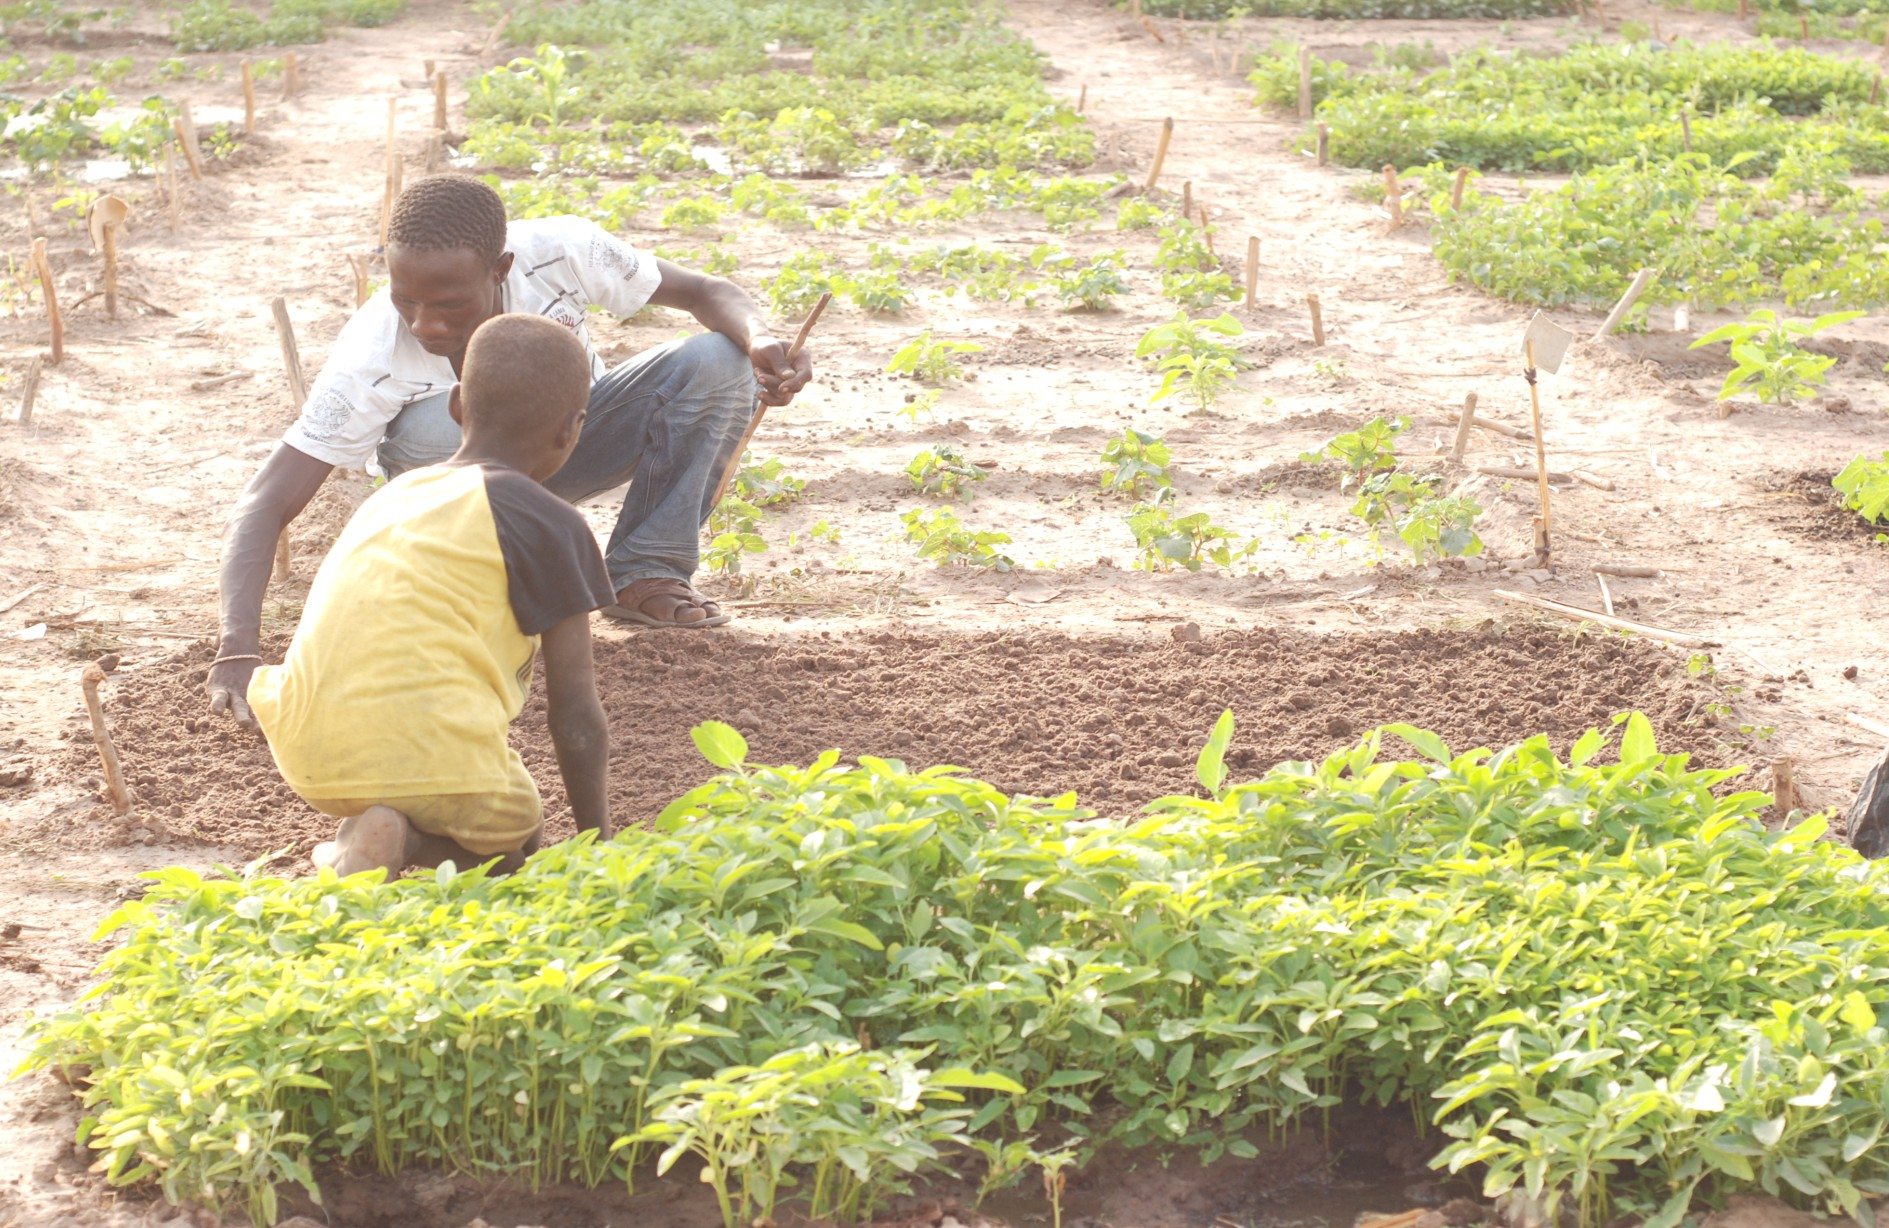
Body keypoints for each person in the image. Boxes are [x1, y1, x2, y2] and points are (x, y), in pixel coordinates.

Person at [209, 174, 813, 728]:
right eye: (407, 300)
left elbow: (706, 291)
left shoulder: (562, 251)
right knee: (442, 425)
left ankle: (646, 572)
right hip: (452, 495)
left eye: (449, 304)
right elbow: (266, 502)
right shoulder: (371, 354)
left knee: (716, 360)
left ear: (501, 268)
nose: (424, 324)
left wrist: (761, 339)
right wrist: (238, 648)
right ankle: (477, 581)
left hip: (567, 441)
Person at [244, 313, 615, 877]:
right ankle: (414, 844)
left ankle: (369, 833)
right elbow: (575, 714)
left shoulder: (393, 497)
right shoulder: (549, 521)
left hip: (306, 754)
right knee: (515, 841)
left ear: (457, 405)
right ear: (573, 429)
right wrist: (597, 842)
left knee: (435, 790)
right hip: (442, 766)